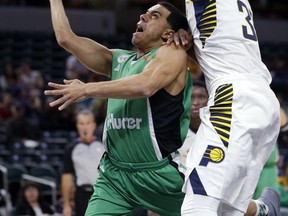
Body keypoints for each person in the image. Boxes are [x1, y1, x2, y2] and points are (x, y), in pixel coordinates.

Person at [45, 1, 191, 215]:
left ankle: (258, 208)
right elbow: (66, 38)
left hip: (158, 174)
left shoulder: (172, 54)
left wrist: (87, 89)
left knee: (218, 210)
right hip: (114, 176)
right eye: (146, 13)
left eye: (155, 16)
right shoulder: (118, 59)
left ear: (168, 34)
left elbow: (145, 85)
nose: (143, 16)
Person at [170, 0, 281, 215]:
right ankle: (262, 211)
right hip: (258, 95)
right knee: (224, 207)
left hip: (234, 97)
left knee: (198, 204)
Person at [61, 109, 105, 216]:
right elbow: (66, 177)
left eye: (88, 123)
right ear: (77, 126)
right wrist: (66, 204)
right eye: (81, 123)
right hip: (82, 194)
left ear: (94, 125)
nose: (85, 127)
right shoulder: (72, 148)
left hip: (102, 192)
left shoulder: (103, 145)